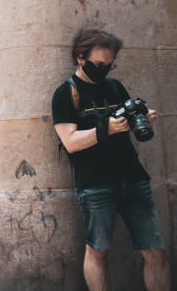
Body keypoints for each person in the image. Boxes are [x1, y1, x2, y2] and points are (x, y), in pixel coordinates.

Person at [52, 29, 171, 291]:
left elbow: (129, 125)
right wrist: (106, 129)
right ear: (80, 58)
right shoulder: (65, 93)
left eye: (109, 65)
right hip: (95, 184)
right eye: (98, 65)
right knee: (98, 253)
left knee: (156, 253)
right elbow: (70, 142)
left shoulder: (115, 87)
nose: (104, 70)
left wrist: (140, 119)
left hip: (134, 178)